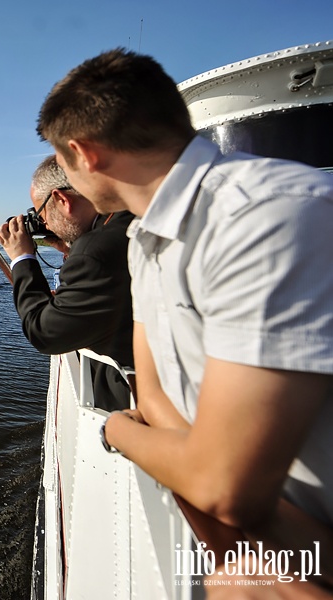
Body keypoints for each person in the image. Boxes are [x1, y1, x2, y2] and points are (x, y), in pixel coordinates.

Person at [37, 48, 333, 592]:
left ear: (83, 154)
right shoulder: (145, 241)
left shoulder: (269, 214)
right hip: (280, 551)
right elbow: (155, 401)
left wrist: (115, 429)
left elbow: (225, 485)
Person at [0, 155, 135, 411]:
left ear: (62, 199)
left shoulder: (93, 253)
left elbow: (45, 334)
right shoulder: (127, 218)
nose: (45, 223)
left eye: (42, 213)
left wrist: (22, 257)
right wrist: (68, 248)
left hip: (126, 401)